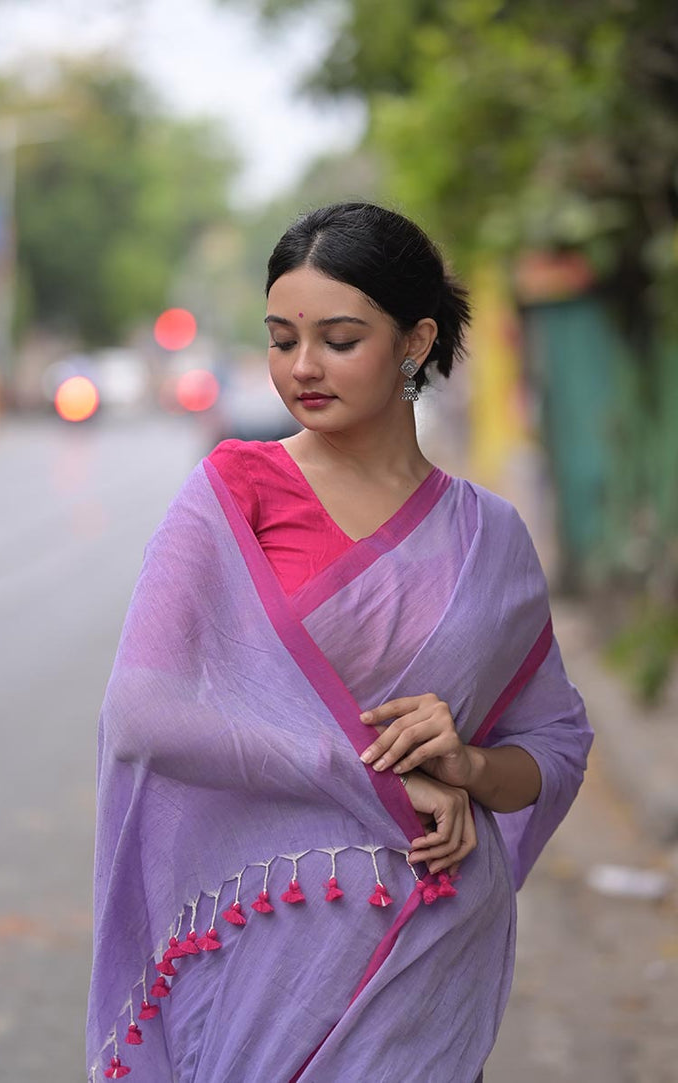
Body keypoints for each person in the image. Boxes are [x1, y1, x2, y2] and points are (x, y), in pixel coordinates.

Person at [87, 202, 593, 1082]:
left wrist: (468, 767)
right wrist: (375, 773)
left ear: (414, 340)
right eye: (282, 340)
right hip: (267, 959)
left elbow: (555, 744)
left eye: (339, 338)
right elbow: (141, 714)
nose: (303, 367)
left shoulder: (490, 537)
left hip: (428, 962)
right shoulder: (233, 493)